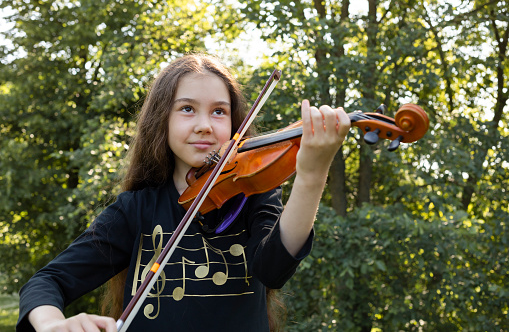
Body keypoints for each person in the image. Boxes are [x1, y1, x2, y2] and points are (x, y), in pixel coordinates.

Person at [17, 53, 350, 332]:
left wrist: (312, 172)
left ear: (235, 124)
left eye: (219, 111)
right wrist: (50, 324)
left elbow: (273, 268)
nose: (205, 124)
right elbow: (47, 282)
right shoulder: (137, 209)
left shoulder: (253, 196)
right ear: (162, 120)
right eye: (187, 109)